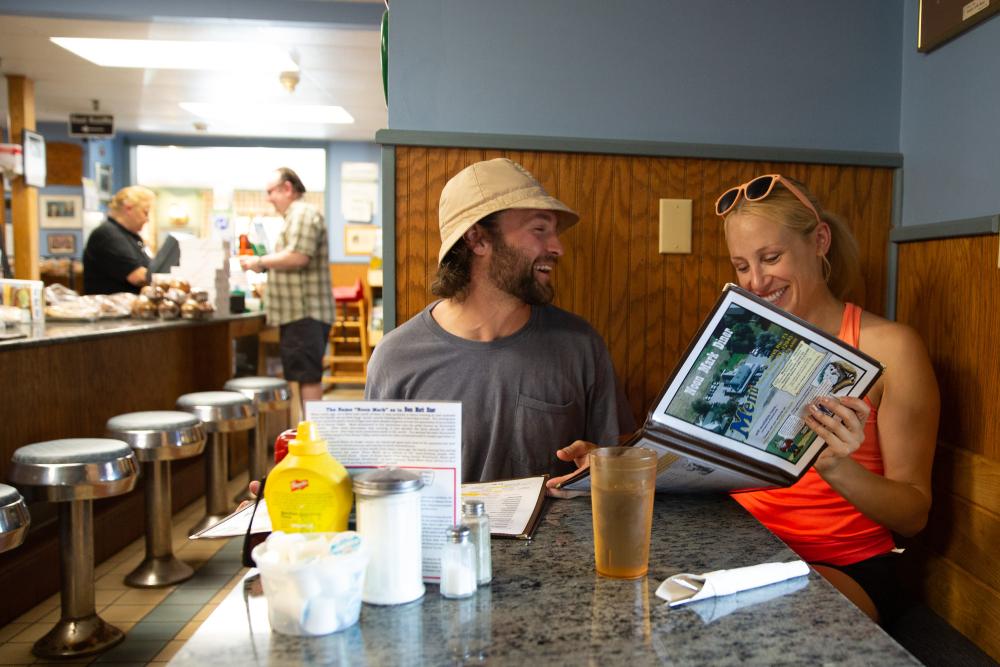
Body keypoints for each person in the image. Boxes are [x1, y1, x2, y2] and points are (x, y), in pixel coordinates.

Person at [364, 158, 635, 483]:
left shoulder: (580, 345)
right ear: (477, 239)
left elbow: (618, 455)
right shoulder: (397, 358)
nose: (558, 247)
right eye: (539, 229)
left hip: (562, 535)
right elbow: (377, 486)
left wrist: (602, 464)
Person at [241, 167, 334, 410]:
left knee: (307, 377)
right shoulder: (295, 215)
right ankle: (306, 434)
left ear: (287, 188)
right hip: (298, 314)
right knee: (304, 376)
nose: (268, 198)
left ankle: (311, 438)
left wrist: (259, 262)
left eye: (271, 191)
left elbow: (298, 256)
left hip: (303, 313)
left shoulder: (302, 213)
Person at [83, 186, 155, 294]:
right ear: (128, 208)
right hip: (113, 309)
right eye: (145, 212)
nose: (147, 219)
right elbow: (137, 277)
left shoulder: (132, 236)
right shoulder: (108, 235)